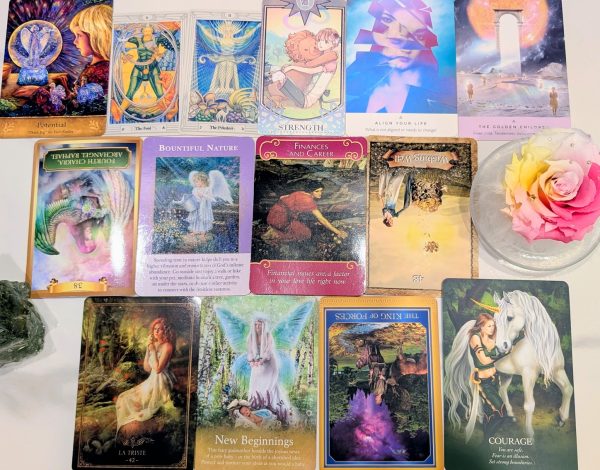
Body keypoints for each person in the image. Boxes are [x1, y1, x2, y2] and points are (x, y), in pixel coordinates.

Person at [346, 0, 453, 113]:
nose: (406, 47)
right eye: (388, 21)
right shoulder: (354, 103)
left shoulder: (440, 101)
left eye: (418, 36)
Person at [115, 317, 175, 436]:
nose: (156, 331)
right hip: (151, 379)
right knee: (122, 397)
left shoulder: (167, 346)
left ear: (165, 331)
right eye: (155, 329)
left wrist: (152, 350)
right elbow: (147, 368)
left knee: (142, 402)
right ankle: (121, 430)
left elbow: (158, 369)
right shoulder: (153, 344)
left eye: (160, 329)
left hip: (161, 380)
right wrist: (149, 349)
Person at [468, 313, 510, 437]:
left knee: (489, 412)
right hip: (483, 382)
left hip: (495, 379)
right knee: (502, 413)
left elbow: (505, 346)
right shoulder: (475, 338)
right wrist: (502, 353)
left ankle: (486, 442)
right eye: (489, 326)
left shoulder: (493, 339)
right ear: (481, 326)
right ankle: (486, 441)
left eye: (493, 326)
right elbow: (484, 360)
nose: (492, 328)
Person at [263, 182, 348, 242]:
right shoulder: (308, 200)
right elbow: (322, 219)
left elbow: (282, 197)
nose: (320, 193)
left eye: (321, 191)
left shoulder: (300, 193)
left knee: (302, 224)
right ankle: (275, 234)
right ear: (311, 191)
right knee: (306, 234)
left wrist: (290, 211)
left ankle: (275, 229)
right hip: (280, 221)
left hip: (272, 216)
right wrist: (338, 232)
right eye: (317, 191)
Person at [280, 28, 341, 108]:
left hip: (306, 100)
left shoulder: (330, 60)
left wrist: (292, 67)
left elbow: (311, 70)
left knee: (280, 79)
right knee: (279, 76)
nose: (320, 44)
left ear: (333, 45)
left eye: (326, 42)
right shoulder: (324, 54)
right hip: (304, 92)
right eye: (319, 40)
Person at [246, 318, 290, 413]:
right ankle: (256, 405)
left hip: (270, 363)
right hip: (256, 364)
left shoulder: (268, 335)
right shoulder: (250, 337)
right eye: (256, 324)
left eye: (260, 324)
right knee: (255, 383)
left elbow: (268, 351)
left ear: (264, 325)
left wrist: (260, 361)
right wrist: (251, 361)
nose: (257, 326)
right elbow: (249, 351)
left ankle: (274, 407)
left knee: (269, 385)